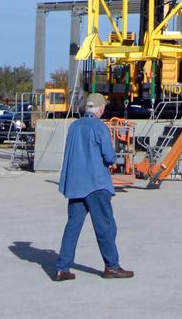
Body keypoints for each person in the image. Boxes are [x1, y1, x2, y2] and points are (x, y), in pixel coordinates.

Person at [54, 93, 133, 281]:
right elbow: (109, 157)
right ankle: (111, 266)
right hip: (96, 184)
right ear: (100, 109)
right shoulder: (100, 127)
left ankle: (62, 268)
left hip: (75, 185)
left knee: (72, 226)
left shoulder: (73, 127)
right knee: (105, 226)